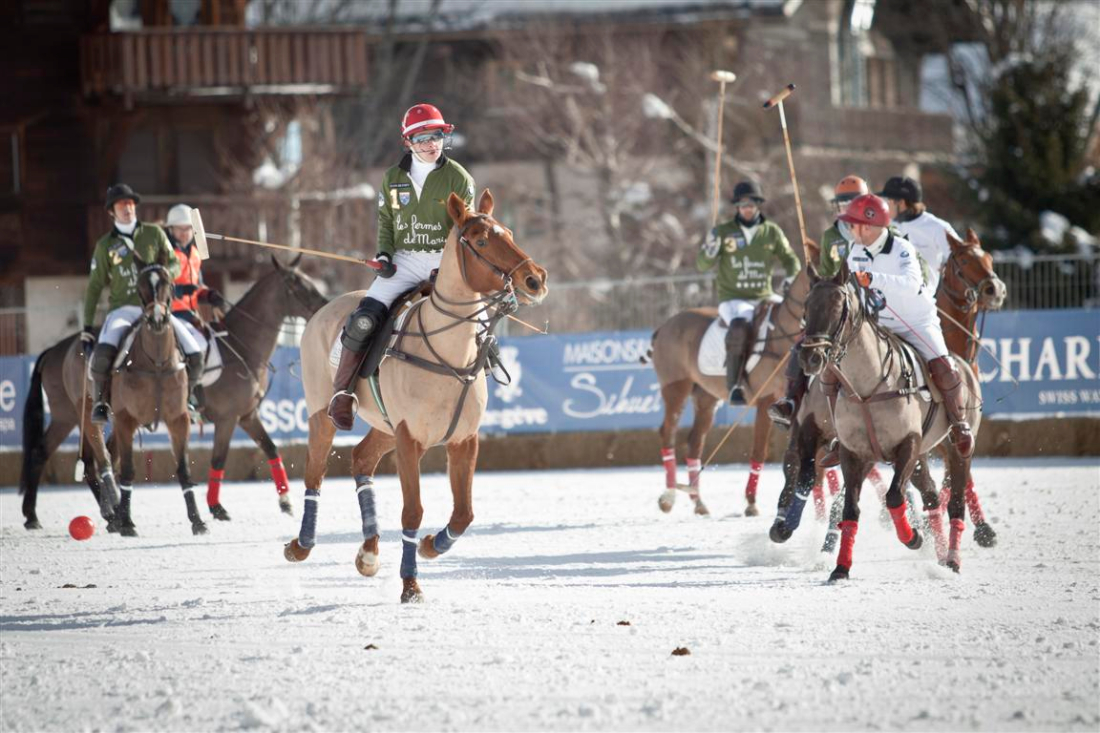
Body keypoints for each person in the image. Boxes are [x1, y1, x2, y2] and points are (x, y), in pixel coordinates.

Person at [327, 103, 476, 430]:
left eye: (436, 136)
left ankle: (483, 370)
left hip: (444, 260)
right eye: (422, 138)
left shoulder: (459, 178)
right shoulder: (393, 178)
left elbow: (465, 229)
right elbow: (386, 221)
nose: (431, 143)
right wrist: (384, 255)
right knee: (364, 319)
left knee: (473, 314)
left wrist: (451, 265)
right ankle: (342, 394)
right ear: (408, 141)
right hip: (405, 261)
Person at [832, 193, 974, 457]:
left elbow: (911, 284)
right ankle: (840, 435)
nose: (849, 229)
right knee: (837, 367)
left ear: (869, 226)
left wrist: (873, 278)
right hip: (877, 323)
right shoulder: (855, 250)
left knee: (944, 367)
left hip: (915, 322)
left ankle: (959, 424)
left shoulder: (902, 249)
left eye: (853, 224)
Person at [82, 184, 200, 425]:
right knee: (103, 354)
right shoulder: (105, 245)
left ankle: (189, 398)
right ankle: (101, 402)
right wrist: (87, 326)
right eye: (121, 205)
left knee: (195, 352)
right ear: (112, 211)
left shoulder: (153, 234)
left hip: (156, 308)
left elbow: (174, 264)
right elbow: (95, 287)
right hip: (123, 309)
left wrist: (164, 273)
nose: (127, 209)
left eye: (130, 204)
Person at [768, 174, 868, 427]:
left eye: (851, 203)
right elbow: (828, 275)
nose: (846, 209)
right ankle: (791, 401)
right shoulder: (831, 236)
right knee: (804, 343)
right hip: (841, 307)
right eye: (842, 204)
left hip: (875, 302)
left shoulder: (878, 230)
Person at [698, 180, 801, 404]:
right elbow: (702, 265)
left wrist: (791, 276)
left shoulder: (771, 231)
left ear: (758, 205)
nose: (747, 209)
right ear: (737, 206)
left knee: (798, 318)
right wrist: (710, 250)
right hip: (734, 299)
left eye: (751, 204)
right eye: (743, 205)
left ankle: (803, 376)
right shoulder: (723, 232)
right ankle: (735, 385)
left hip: (764, 295)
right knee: (740, 326)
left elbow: (790, 259)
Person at [165, 202, 229, 408]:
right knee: (198, 345)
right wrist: (181, 290)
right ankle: (187, 394)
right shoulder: (166, 254)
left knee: (212, 342)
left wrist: (209, 295)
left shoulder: (194, 254)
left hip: (191, 313)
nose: (185, 233)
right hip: (171, 314)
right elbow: (160, 286)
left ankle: (197, 388)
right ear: (171, 230)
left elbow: (198, 286)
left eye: (188, 229)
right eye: (180, 229)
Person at [878, 176, 959, 292]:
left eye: (888, 201)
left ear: (901, 203)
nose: (885, 205)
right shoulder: (883, 225)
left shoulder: (938, 228)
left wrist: (948, 266)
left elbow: (961, 256)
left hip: (923, 298)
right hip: (888, 297)